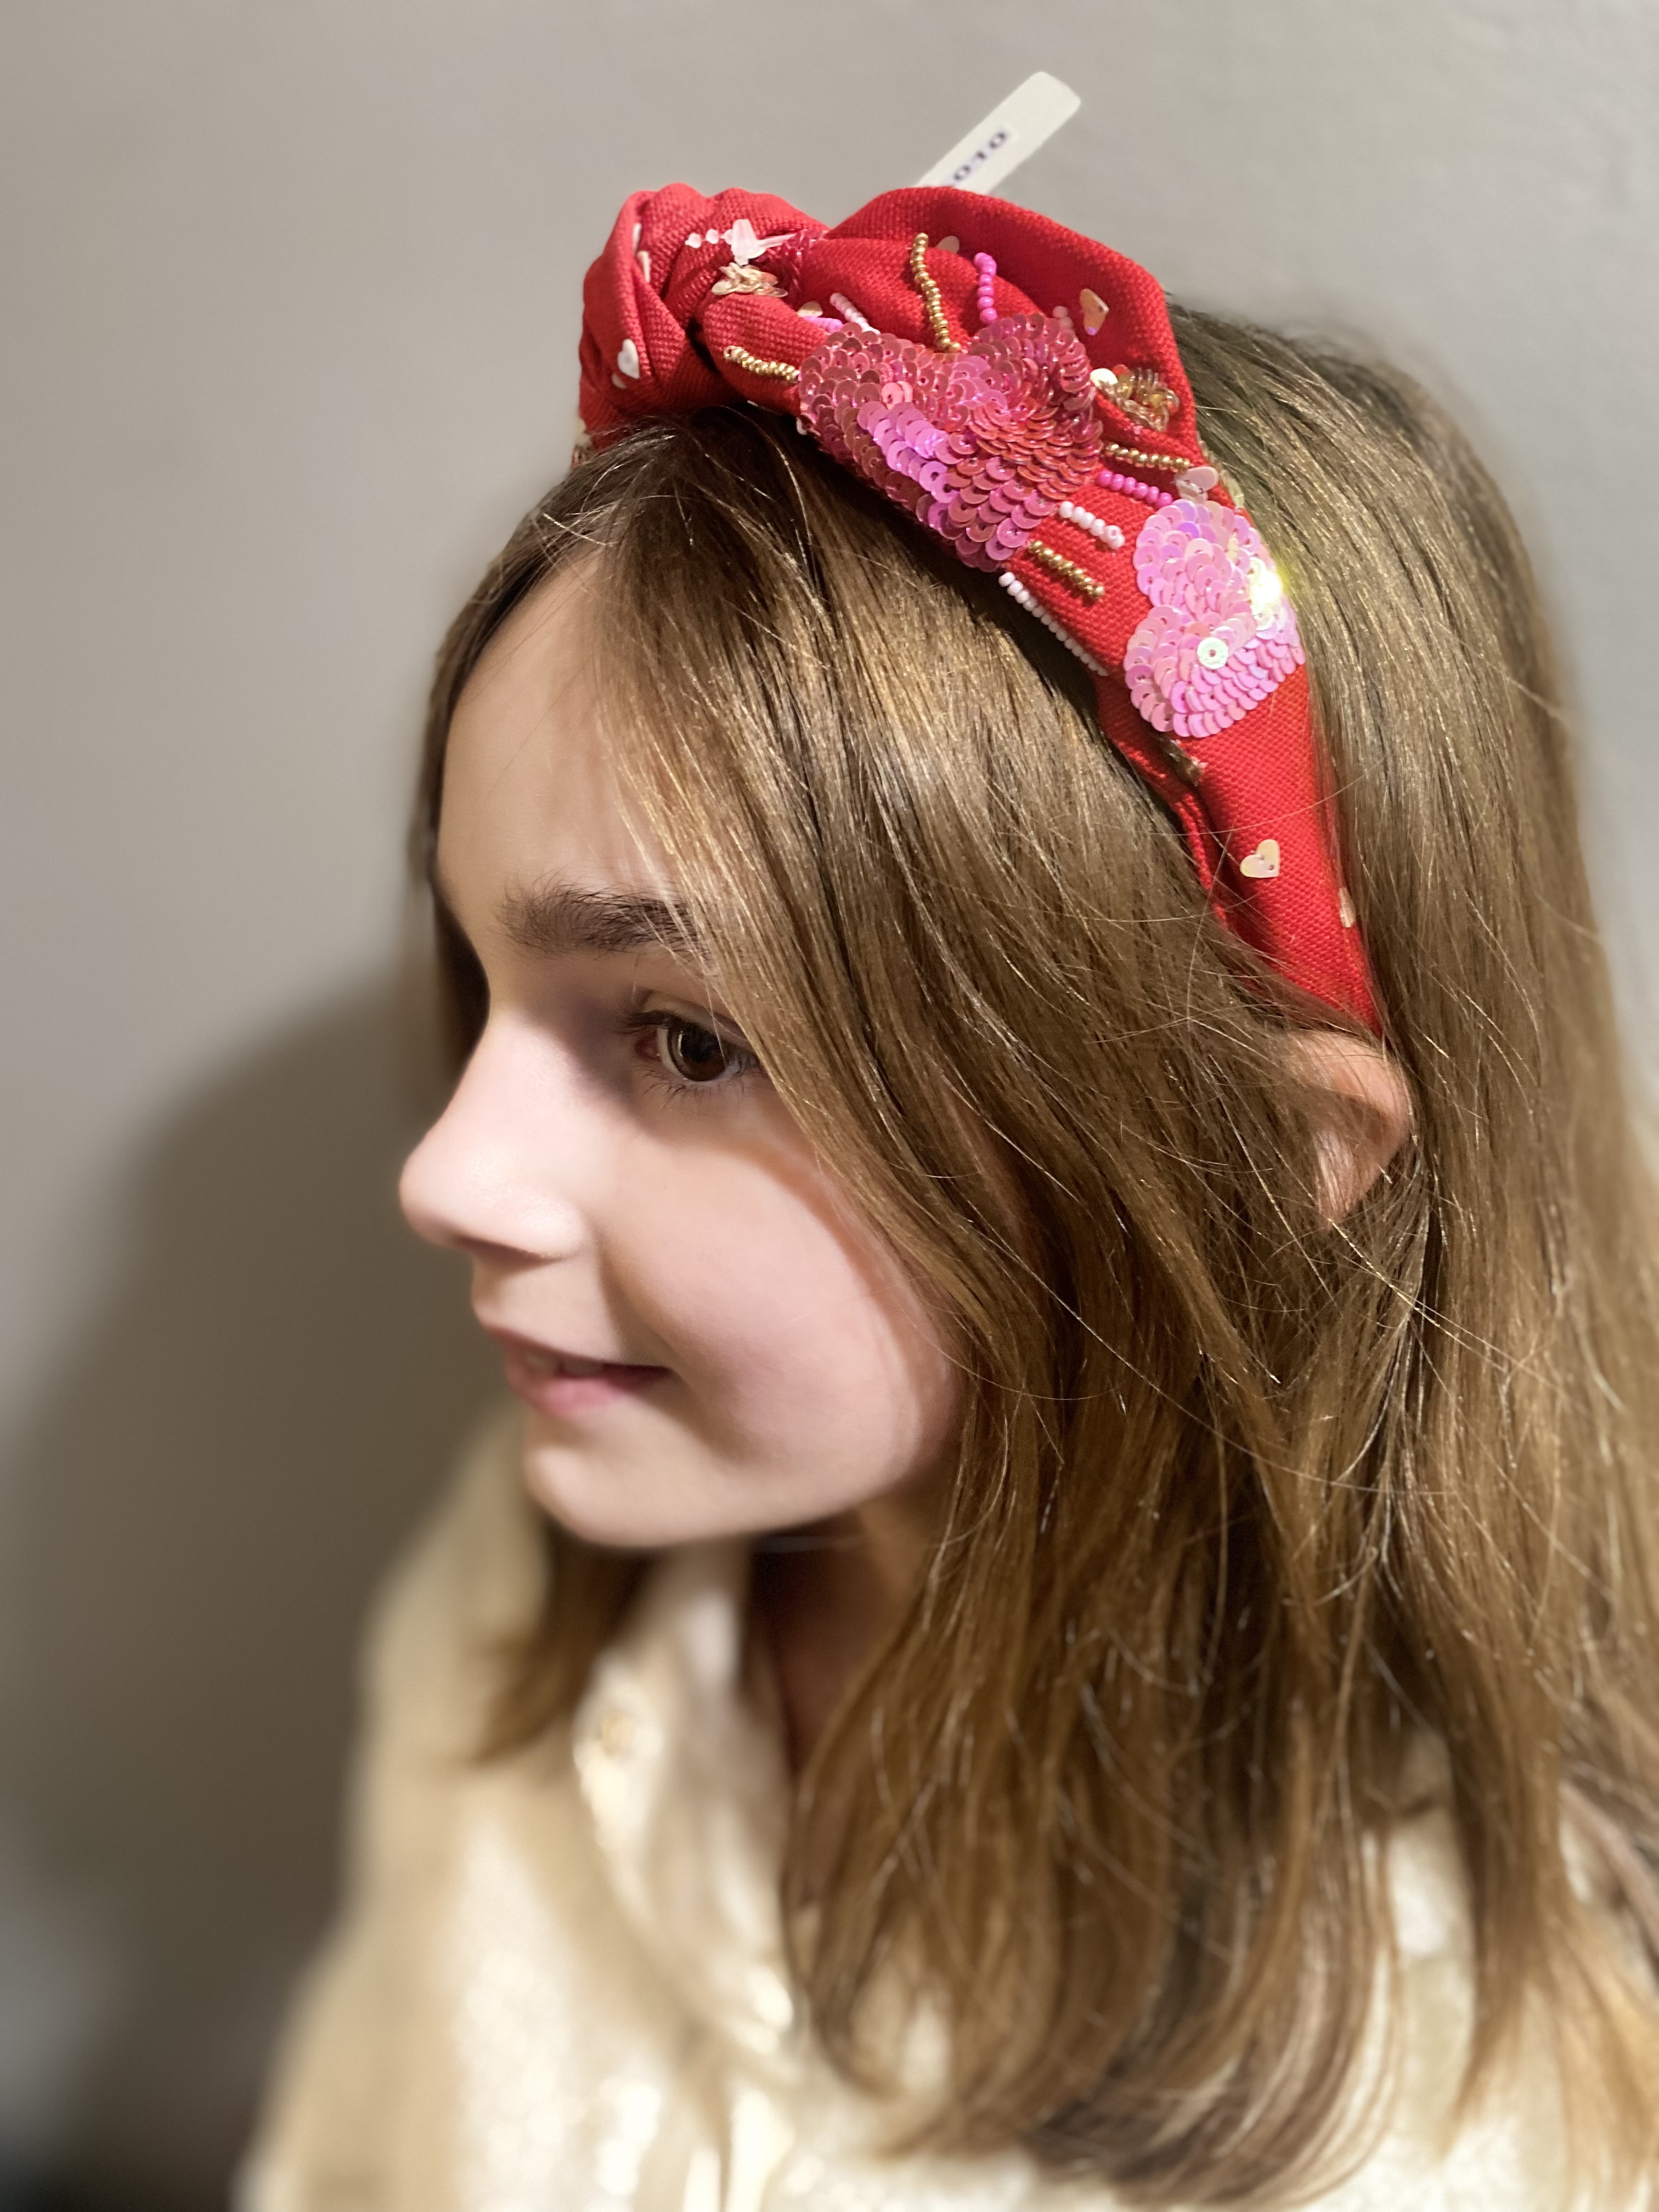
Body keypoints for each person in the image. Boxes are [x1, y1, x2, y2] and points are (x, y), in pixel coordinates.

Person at [240, 181, 1659, 2210]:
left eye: (686, 1040)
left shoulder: (1488, 2114)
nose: (447, 1174)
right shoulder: (541, 1600)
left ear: (1248, 1159)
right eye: (487, 975)